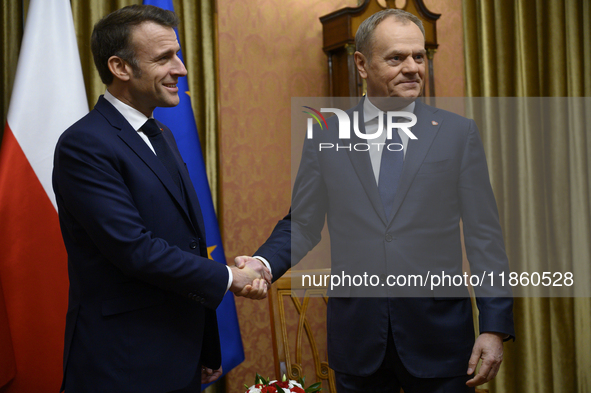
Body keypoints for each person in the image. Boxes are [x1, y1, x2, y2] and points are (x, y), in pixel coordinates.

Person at [236, 8, 514, 393]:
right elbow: (302, 223)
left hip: (441, 342)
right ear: (362, 64)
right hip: (359, 342)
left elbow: (486, 237)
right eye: (397, 58)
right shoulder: (326, 135)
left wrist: (495, 327)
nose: (413, 67)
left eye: (419, 56)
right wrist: (263, 264)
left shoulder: (456, 134)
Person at [53, 5, 269, 392]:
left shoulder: (162, 135)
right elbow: (134, 249)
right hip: (122, 364)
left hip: (179, 356)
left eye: (180, 54)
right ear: (120, 68)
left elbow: (186, 244)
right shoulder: (84, 144)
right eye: (164, 58)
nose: (182, 69)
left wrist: (205, 347)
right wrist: (230, 277)